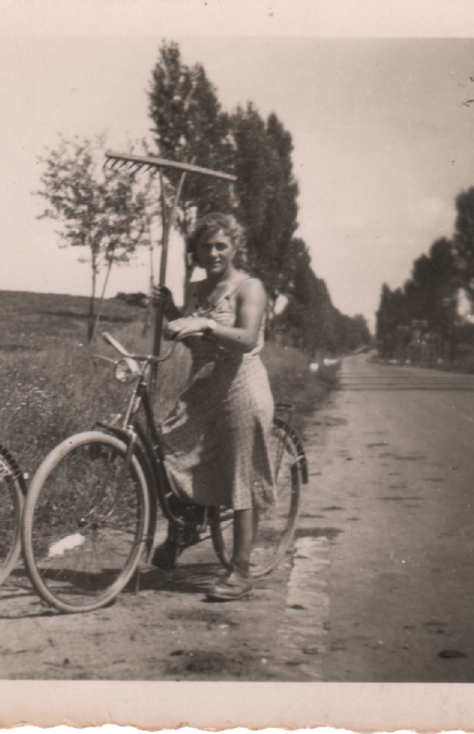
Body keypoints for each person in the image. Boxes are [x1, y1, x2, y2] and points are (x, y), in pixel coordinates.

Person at [151, 212, 274, 601]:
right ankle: (185, 530)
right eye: (206, 246)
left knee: (241, 477)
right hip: (202, 387)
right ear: (196, 251)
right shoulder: (196, 289)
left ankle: (239, 571)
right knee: (171, 454)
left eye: (222, 245)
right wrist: (172, 311)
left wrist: (204, 324)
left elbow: (246, 337)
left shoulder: (248, 287)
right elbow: (194, 342)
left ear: (235, 247)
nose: (214, 252)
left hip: (241, 387)